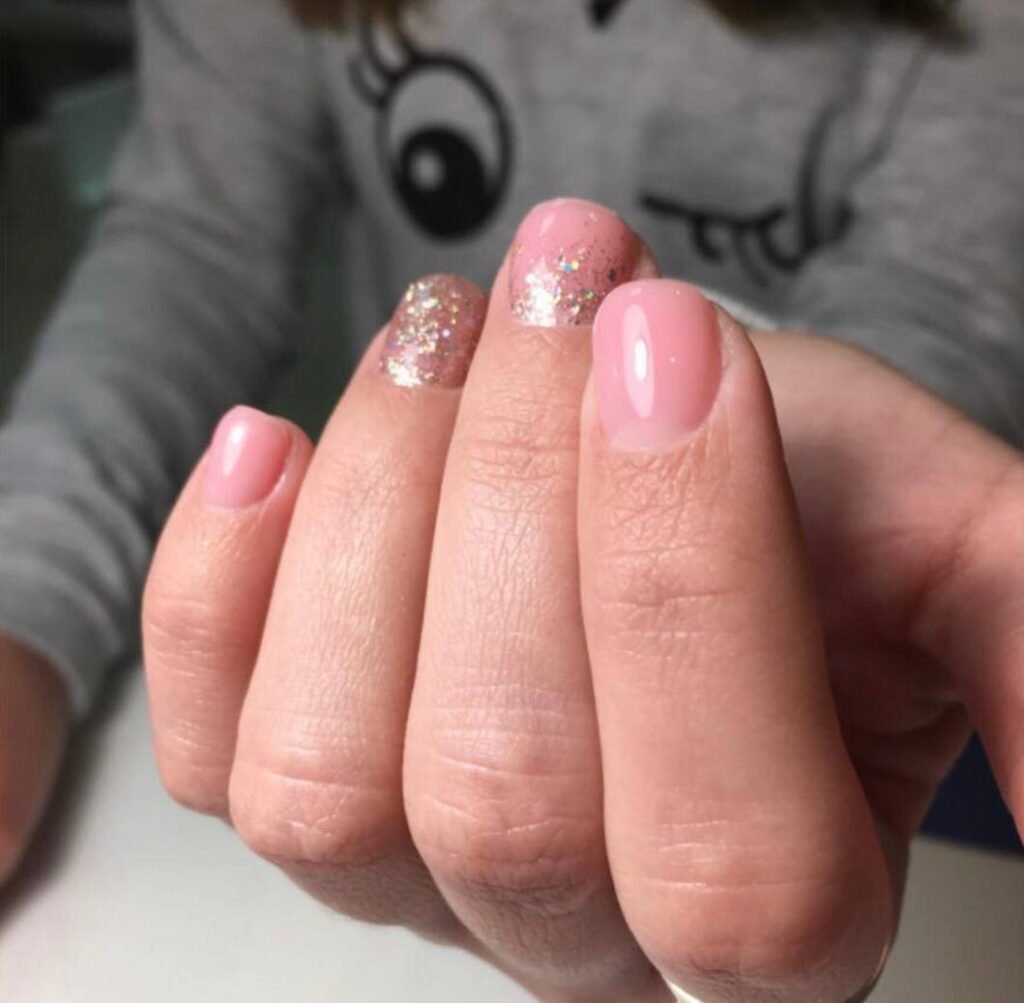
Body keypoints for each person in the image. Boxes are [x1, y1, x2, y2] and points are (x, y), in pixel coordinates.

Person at [0, 1, 1021, 1000]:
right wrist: (21, 596)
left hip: (865, 675)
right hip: (422, 628)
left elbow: (947, 299)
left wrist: (776, 489)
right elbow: (190, 245)